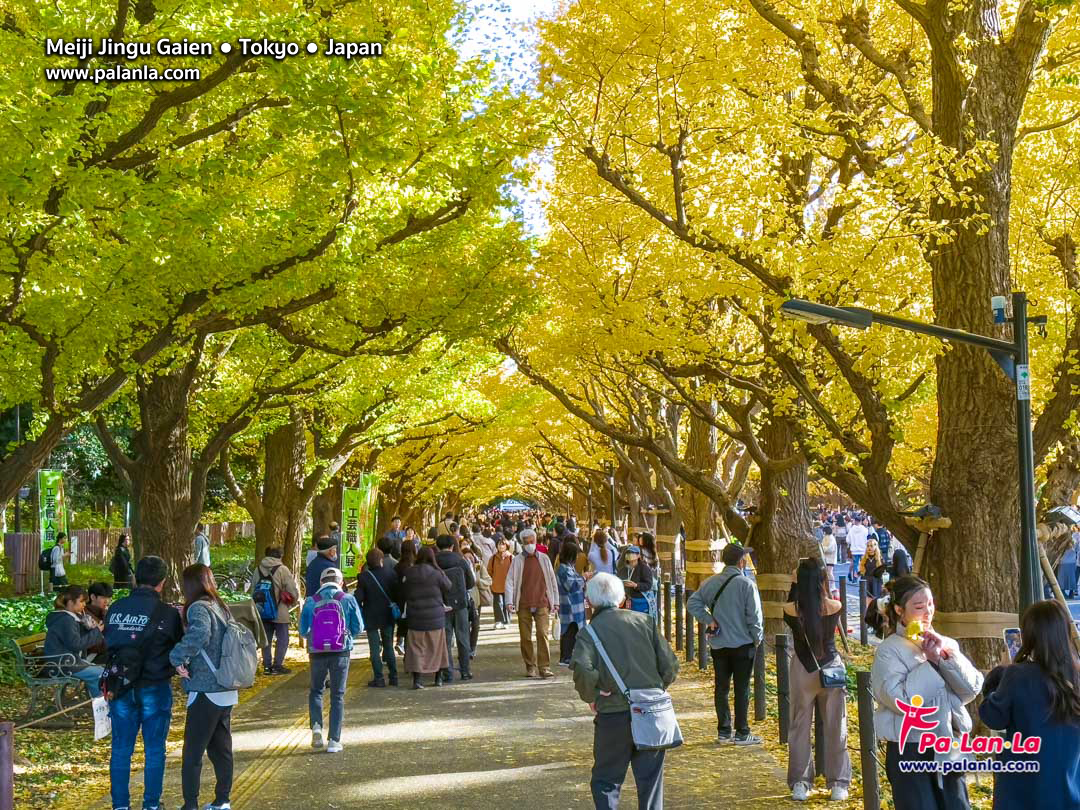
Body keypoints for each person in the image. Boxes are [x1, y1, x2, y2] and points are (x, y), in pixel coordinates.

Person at [870, 575, 983, 810]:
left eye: (930, 604)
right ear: (900, 610)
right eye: (919, 607)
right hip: (910, 746)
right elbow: (901, 701)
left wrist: (946, 659)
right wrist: (929, 665)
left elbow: (971, 688)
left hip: (947, 742)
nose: (928, 612)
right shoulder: (888, 650)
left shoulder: (945, 642)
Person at [571, 573, 679, 810]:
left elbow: (581, 668)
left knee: (606, 781)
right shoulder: (645, 622)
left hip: (613, 716)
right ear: (622, 599)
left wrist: (594, 694)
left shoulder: (589, 633)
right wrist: (654, 687)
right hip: (651, 712)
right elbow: (670, 666)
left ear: (590, 602)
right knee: (650, 783)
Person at [978, 599, 1080, 809]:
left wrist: (1000, 673)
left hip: (1023, 788)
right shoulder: (1076, 674)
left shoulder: (1018, 674)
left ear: (1029, 635)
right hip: (1069, 785)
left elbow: (993, 717)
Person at [104, 555, 184, 810]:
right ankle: (150, 804)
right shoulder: (168, 614)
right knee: (154, 749)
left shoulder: (116, 608)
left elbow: (109, 642)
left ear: (136, 578)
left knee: (121, 748)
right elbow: (178, 648)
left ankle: (120, 805)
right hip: (155, 685)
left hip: (121, 685)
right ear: (162, 582)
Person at [169, 564, 237, 810]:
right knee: (221, 748)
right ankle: (222, 800)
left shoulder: (198, 607)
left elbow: (200, 636)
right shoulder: (220, 606)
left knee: (193, 752)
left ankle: (191, 804)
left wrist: (176, 657)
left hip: (206, 688)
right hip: (226, 686)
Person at [784, 558, 851, 802]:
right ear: (822, 580)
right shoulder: (835, 606)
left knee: (799, 727)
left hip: (802, 669)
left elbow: (792, 601)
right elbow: (826, 599)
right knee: (836, 726)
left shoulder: (791, 610)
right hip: (831, 669)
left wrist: (795, 581)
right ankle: (838, 784)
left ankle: (800, 783)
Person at [687, 542, 764, 745]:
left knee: (721, 688)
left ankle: (723, 731)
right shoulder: (747, 584)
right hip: (743, 644)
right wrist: (757, 638)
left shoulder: (711, 582)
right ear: (741, 561)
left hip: (719, 644)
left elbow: (692, 603)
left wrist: (708, 619)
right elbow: (754, 617)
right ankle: (742, 732)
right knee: (742, 688)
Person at [299, 566, 363, 752]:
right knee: (338, 695)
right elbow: (358, 627)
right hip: (341, 651)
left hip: (317, 651)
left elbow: (303, 631)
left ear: (321, 582)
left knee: (316, 690)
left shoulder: (311, 601)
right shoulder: (348, 599)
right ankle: (334, 741)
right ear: (341, 582)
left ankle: (317, 727)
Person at [505, 528, 559, 678]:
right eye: (526, 542)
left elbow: (552, 580)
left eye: (532, 541)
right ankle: (530, 666)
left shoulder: (544, 558)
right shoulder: (517, 560)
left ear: (536, 541)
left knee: (543, 634)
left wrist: (555, 601)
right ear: (522, 543)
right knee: (525, 637)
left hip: (542, 602)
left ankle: (544, 667)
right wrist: (509, 602)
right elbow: (510, 581)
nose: (529, 544)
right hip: (523, 604)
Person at [400, 546, 452, 689]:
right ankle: (438, 678)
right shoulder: (437, 573)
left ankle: (417, 680)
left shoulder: (409, 572)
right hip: (435, 617)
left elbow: (403, 590)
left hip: (415, 617)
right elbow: (449, 586)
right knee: (437, 648)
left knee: (416, 649)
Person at [44, 585, 105, 697]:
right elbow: (76, 645)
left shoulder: (68, 617)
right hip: (62, 664)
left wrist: (88, 627)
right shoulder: (66, 620)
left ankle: (99, 704)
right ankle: (100, 707)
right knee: (100, 674)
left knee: (101, 672)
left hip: (66, 661)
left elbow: (75, 641)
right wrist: (96, 631)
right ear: (71, 602)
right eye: (81, 601)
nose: (84, 605)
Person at [355, 547, 399, 687]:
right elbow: (396, 593)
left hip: (371, 616)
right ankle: (393, 677)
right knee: (388, 646)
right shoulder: (391, 573)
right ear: (381, 560)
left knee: (374, 649)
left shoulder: (364, 577)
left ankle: (379, 678)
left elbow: (358, 597)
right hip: (387, 615)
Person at [251, 547, 300, 675]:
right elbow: (291, 589)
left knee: (266, 638)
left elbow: (253, 589)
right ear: (280, 556)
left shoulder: (258, 569)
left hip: (263, 610)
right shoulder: (282, 569)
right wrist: (293, 601)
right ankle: (278, 665)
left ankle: (267, 666)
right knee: (283, 638)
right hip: (280, 610)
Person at [435, 534, 475, 681]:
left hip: (441, 605)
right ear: (452, 546)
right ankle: (465, 671)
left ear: (437, 546)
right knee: (463, 638)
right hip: (460, 605)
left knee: (445, 639)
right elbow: (471, 582)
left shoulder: (434, 561)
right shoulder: (461, 560)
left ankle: (447, 673)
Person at [556, 541, 586, 666]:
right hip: (569, 605)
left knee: (572, 631)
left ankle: (568, 656)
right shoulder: (564, 569)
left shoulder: (568, 567)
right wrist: (583, 578)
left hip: (574, 605)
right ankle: (565, 657)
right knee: (569, 631)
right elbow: (573, 586)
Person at [393, 542, 416, 656]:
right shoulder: (416, 565)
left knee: (403, 623)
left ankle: (400, 642)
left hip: (400, 599)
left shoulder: (397, 566)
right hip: (412, 600)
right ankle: (408, 655)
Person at [617, 545, 654, 614]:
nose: (629, 555)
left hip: (641, 601)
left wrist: (636, 585)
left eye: (632, 553)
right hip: (626, 601)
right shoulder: (623, 569)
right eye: (628, 553)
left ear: (638, 555)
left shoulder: (644, 568)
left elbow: (648, 585)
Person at [488, 538, 513, 629]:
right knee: (498, 603)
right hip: (496, 584)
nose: (501, 546)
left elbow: (514, 571)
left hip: (508, 586)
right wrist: (494, 578)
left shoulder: (511, 557)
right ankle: (499, 621)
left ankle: (506, 621)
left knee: (507, 603)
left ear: (507, 546)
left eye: (503, 544)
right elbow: (489, 570)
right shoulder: (493, 558)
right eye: (499, 544)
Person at [846, 517, 868, 583]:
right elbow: (867, 539)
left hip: (854, 550)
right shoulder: (865, 530)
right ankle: (863, 577)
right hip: (863, 549)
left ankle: (855, 578)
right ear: (861, 521)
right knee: (863, 564)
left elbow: (848, 540)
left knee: (855, 565)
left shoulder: (851, 530)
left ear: (855, 521)